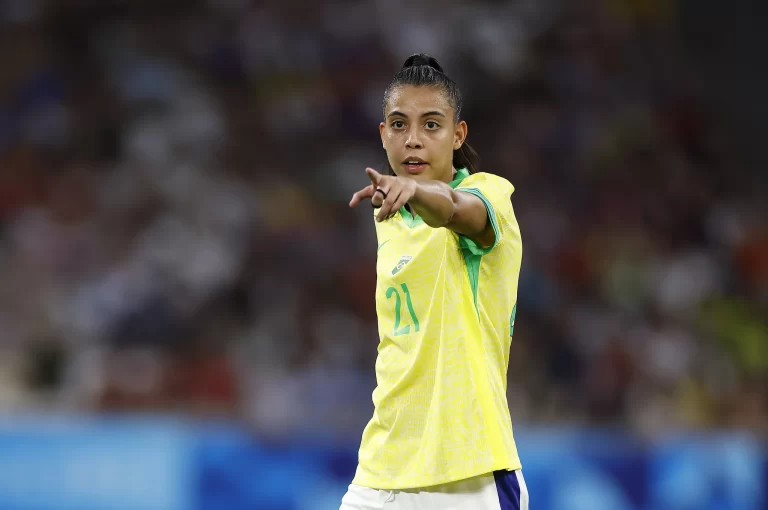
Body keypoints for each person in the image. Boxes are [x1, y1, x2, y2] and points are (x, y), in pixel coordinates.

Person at [342, 53, 528, 510]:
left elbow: (459, 209)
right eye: (399, 124)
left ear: (457, 134)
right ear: (383, 133)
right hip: (382, 468)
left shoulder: (490, 194)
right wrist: (409, 195)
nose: (413, 140)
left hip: (468, 474)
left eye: (431, 125)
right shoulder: (390, 215)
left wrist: (420, 192)